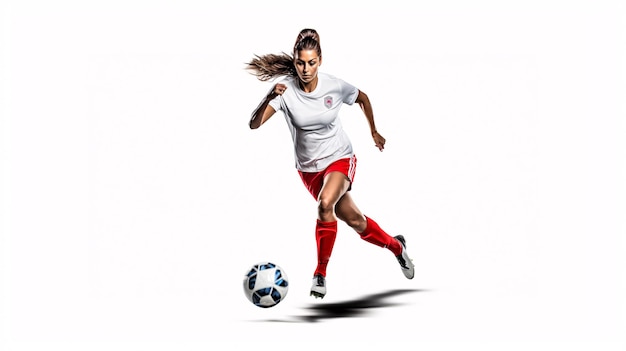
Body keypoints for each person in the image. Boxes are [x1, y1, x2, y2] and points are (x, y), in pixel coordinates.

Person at [246, 28, 414, 299]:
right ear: (295, 60)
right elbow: (254, 125)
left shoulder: (333, 85)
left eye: (311, 62)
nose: (306, 69)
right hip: (309, 170)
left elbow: (362, 98)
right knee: (356, 221)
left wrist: (373, 130)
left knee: (325, 204)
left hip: (339, 156)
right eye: (301, 62)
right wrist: (268, 96)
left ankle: (320, 274)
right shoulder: (285, 90)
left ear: (320, 60)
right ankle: (397, 247)